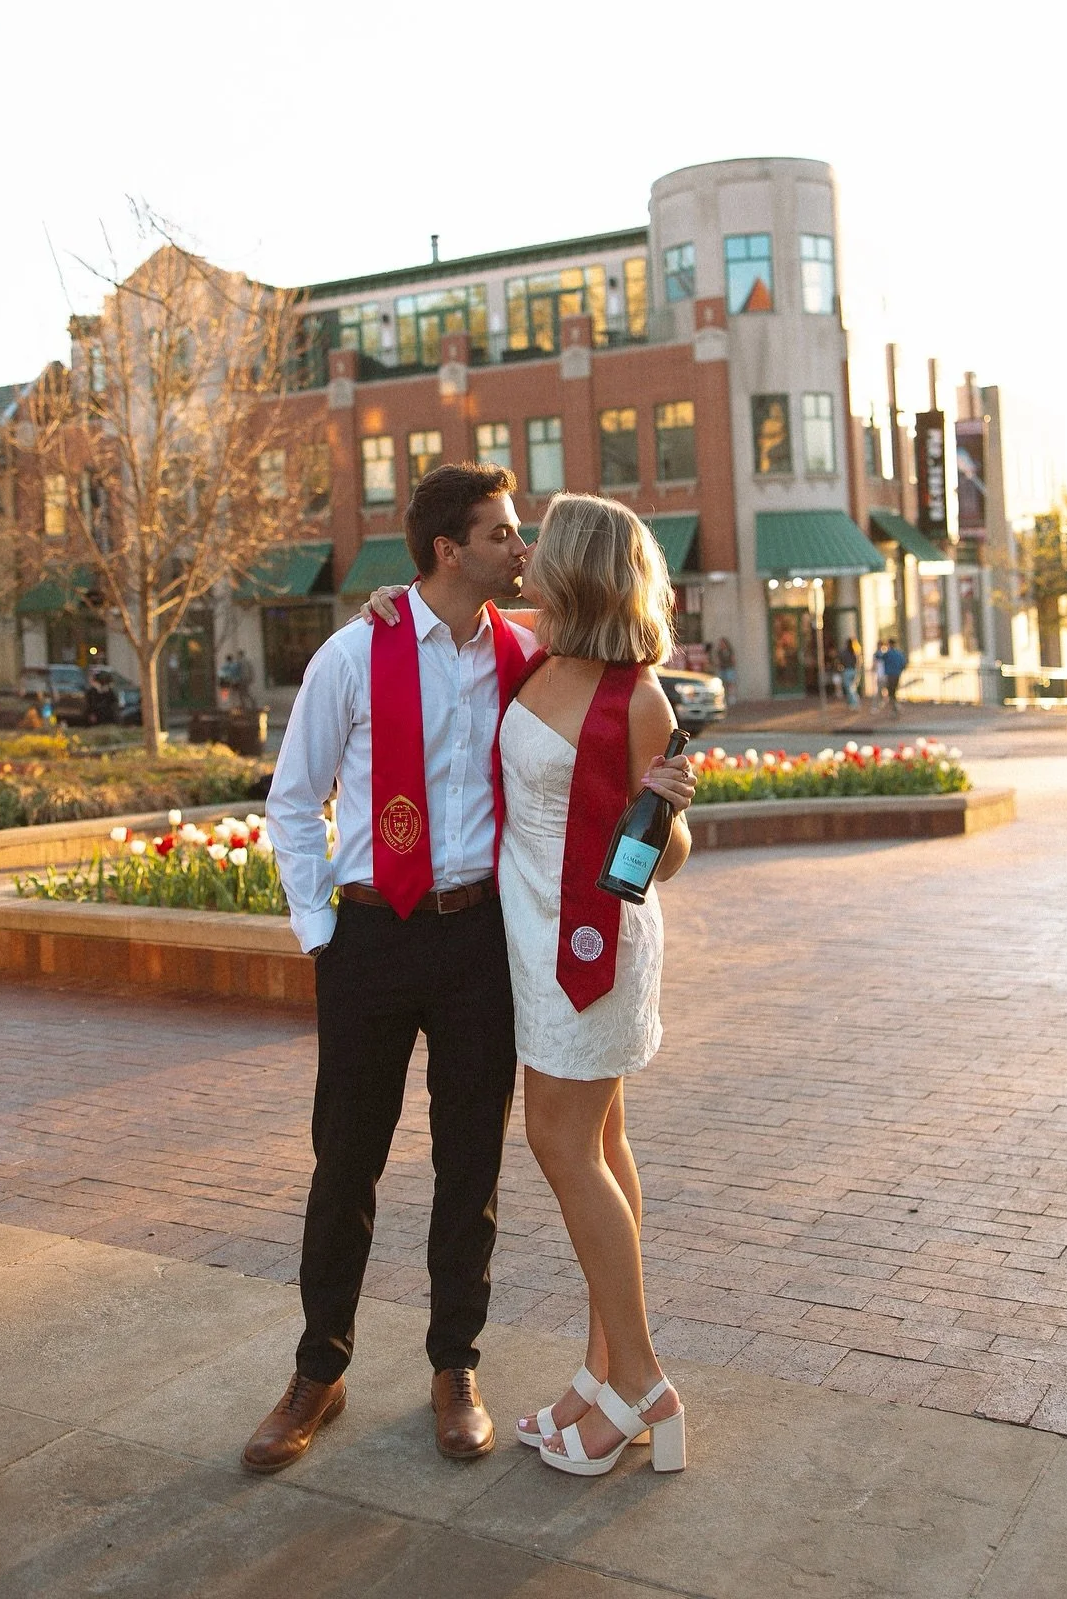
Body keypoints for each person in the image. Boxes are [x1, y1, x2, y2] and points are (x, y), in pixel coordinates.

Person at [370, 493, 697, 1478]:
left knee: (563, 1145)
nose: (526, 553)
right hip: (535, 940)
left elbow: (667, 857)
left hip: (589, 951)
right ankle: (604, 1370)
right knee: (602, 1143)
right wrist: (390, 602)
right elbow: (439, 626)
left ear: (579, 566)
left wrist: (669, 809)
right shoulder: (537, 654)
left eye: (542, 543)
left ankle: (642, 1382)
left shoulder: (639, 696)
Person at [244, 464, 539, 1475]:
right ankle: (316, 1372)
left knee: (471, 1164)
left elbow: (606, 626)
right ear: (448, 550)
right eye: (502, 534)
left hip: (477, 939)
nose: (521, 547)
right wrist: (318, 932)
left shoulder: (524, 653)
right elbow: (295, 798)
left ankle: (455, 1367)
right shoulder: (353, 654)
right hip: (370, 938)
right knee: (346, 1163)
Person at [882, 639, 907, 712]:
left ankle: (895, 707)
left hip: (890, 675)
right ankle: (895, 707)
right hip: (897, 674)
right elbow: (903, 664)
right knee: (893, 691)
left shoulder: (888, 654)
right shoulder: (899, 653)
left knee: (891, 692)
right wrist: (899, 671)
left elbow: (879, 656)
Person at [839, 634, 861, 711]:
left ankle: (855, 703)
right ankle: (851, 703)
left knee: (850, 689)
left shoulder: (844, 652)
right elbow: (858, 662)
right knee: (852, 688)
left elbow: (841, 661)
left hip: (847, 671)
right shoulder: (855, 651)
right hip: (854, 671)